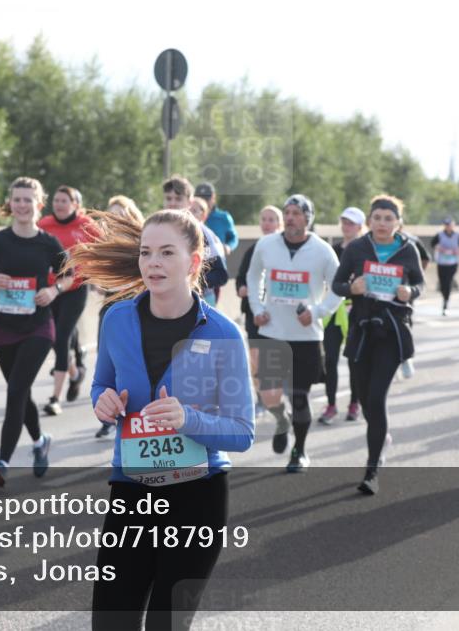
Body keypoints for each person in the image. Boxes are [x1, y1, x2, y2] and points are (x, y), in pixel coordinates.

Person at [69, 208, 254, 631]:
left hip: (197, 497)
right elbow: (101, 386)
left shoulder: (223, 334)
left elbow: (242, 433)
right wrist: (103, 402)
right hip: (132, 489)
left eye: (167, 252)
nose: (153, 263)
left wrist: (187, 418)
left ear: (193, 262)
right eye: (146, 252)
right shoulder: (116, 319)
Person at [0, 178, 67, 486]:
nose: (22, 205)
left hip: (39, 327)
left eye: (28, 200)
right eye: (17, 199)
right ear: (10, 203)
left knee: (15, 391)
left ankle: (2, 462)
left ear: (39, 204)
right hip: (2, 328)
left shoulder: (48, 243)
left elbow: (71, 276)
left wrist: (53, 291)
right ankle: (40, 442)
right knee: (20, 391)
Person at [332, 195, 425, 495]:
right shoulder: (357, 248)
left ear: (398, 222)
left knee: (376, 396)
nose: (382, 223)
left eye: (389, 218)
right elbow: (336, 284)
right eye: (377, 217)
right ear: (369, 220)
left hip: (392, 330)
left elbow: (420, 284)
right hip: (362, 329)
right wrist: (351, 288)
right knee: (366, 397)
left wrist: (409, 291)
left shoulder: (407, 249)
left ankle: (372, 469)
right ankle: (380, 435)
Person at [246, 195, 341, 473]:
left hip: (306, 337)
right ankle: (280, 420)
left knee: (299, 397)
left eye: (296, 213)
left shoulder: (323, 251)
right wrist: (257, 307)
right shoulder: (266, 244)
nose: (289, 217)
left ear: (308, 218)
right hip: (272, 331)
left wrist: (318, 310)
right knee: (269, 396)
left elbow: (338, 286)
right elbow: (253, 276)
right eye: (287, 212)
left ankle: (299, 451)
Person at [38, 185, 100, 416]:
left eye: (65, 201)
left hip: (76, 287)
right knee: (57, 335)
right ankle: (75, 373)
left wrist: (97, 275)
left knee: (62, 335)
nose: (59, 204)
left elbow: (102, 250)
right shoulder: (44, 225)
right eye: (56, 200)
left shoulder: (86, 225)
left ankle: (55, 397)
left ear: (75, 204)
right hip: (50, 288)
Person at [92, 196, 147, 440]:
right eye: (111, 214)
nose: (116, 219)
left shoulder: (142, 243)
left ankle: (139, 411)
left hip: (135, 307)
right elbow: (96, 279)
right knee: (107, 363)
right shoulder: (104, 244)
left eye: (120, 213)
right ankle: (108, 414)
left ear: (131, 215)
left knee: (133, 362)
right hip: (109, 306)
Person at [235, 205, 283, 421]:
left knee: (274, 357)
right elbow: (240, 280)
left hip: (279, 314)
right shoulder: (253, 250)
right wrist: (242, 289)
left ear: (280, 224)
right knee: (255, 359)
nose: (267, 223)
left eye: (271, 219)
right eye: (264, 219)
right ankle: (261, 400)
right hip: (254, 313)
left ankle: (277, 396)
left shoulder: (286, 251)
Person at [320, 207, 364, 424]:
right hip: (333, 312)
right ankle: (330, 405)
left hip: (355, 311)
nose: (347, 226)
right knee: (330, 359)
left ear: (360, 227)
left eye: (351, 223)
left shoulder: (365, 251)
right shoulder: (332, 250)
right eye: (344, 222)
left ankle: (355, 403)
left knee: (355, 361)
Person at [161, 176, 228, 304]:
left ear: (190, 202)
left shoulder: (203, 233)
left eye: (178, 199)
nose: (172, 203)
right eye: (169, 198)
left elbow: (221, 274)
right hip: (167, 302)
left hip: (201, 303)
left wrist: (186, 282)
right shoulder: (157, 230)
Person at [431, 216, 459, 315]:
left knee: (448, 281)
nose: (448, 227)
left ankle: (446, 301)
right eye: (446, 225)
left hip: (453, 262)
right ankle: (444, 295)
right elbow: (433, 244)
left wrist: (457, 251)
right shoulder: (439, 235)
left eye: (449, 225)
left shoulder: (458, 235)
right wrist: (440, 249)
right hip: (442, 262)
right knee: (442, 283)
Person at [194, 182, 238, 254]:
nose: (204, 202)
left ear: (213, 197)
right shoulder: (190, 217)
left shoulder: (224, 217)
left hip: (217, 260)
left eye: (206, 199)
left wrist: (228, 246)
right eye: (200, 199)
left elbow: (233, 238)